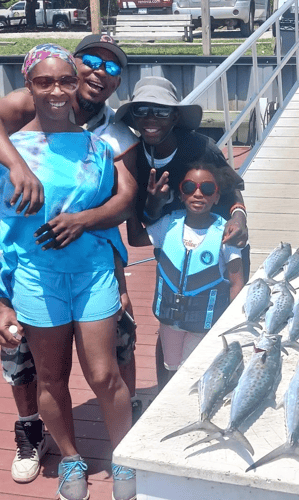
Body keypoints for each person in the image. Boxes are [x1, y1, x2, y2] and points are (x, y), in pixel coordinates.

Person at [0, 34, 141, 484]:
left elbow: (125, 200)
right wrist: (1, 300)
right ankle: (64, 453)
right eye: (44, 82)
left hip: (92, 272)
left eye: (64, 82)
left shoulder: (105, 143)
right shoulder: (11, 140)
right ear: (29, 85)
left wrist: (113, 266)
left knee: (105, 371)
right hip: (30, 274)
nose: (56, 91)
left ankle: (125, 454)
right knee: (45, 376)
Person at [114, 76, 249, 389]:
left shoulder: (199, 147)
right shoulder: (133, 157)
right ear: (133, 117)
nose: (150, 119)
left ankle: (219, 391)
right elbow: (140, 222)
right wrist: (150, 204)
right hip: (171, 237)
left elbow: (231, 190)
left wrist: (239, 218)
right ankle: (164, 394)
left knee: (212, 329)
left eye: (161, 112)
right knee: (171, 319)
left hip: (220, 241)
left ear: (175, 116)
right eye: (142, 111)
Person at [127, 159, 245, 377]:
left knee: (194, 374)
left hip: (205, 325)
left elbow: (237, 283)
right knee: (171, 371)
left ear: (217, 197)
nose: (198, 194)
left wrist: (231, 324)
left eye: (208, 189)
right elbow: (135, 239)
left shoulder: (225, 233)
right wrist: (131, 200)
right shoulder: (168, 225)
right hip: (170, 323)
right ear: (181, 194)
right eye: (190, 187)